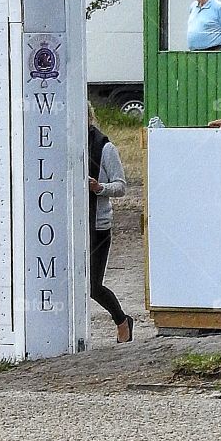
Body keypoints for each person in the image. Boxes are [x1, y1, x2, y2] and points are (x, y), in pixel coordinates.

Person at [88, 103, 133, 343]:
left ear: (89, 118)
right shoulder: (64, 146)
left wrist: (99, 187)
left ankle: (123, 321)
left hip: (98, 225)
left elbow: (121, 186)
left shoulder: (105, 148)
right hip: (73, 226)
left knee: (93, 286)